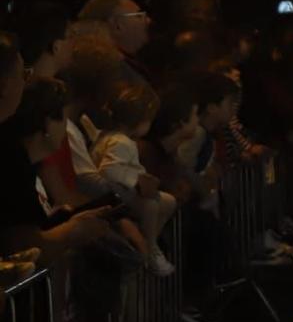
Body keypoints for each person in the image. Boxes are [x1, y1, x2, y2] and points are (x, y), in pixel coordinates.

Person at [0, 77, 122, 262]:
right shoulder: (14, 168)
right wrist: (72, 230)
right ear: (48, 123)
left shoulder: (28, 165)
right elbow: (21, 245)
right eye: (64, 120)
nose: (65, 129)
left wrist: (65, 220)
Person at [91, 83, 178, 276]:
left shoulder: (112, 137)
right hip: (120, 196)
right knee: (151, 205)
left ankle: (148, 240)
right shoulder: (121, 142)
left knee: (169, 201)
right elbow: (110, 170)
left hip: (124, 193)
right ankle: (151, 248)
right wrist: (137, 180)